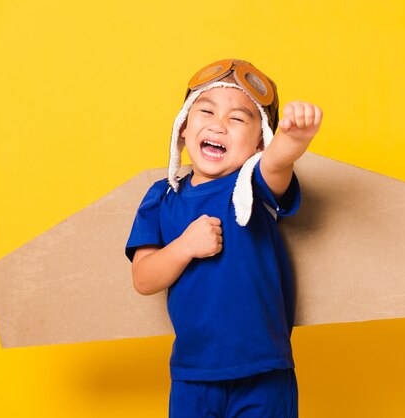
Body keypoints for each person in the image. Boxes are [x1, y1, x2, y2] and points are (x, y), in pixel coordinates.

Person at [125, 58, 322, 418]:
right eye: (206, 111)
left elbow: (277, 165)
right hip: (192, 374)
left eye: (237, 119)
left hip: (264, 371)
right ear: (183, 127)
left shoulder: (252, 185)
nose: (218, 125)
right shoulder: (161, 196)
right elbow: (143, 278)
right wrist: (185, 247)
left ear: (259, 143)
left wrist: (292, 139)